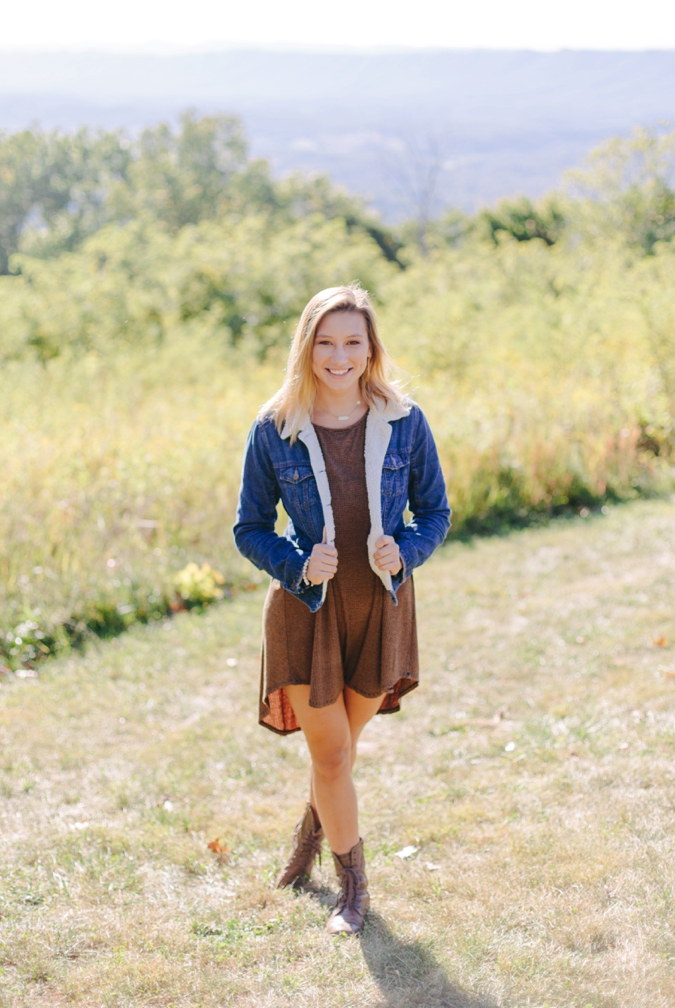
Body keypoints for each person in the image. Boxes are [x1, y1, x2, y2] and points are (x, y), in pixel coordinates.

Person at [233, 282, 451, 934]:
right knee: (331, 758)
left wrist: (406, 551)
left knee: (340, 757)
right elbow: (249, 527)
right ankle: (353, 890)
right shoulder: (274, 429)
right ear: (307, 346)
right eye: (325, 342)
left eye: (352, 341)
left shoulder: (405, 421)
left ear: (370, 347)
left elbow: (435, 511)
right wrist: (297, 564)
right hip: (307, 609)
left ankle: (305, 843)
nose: (339, 356)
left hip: (380, 607)